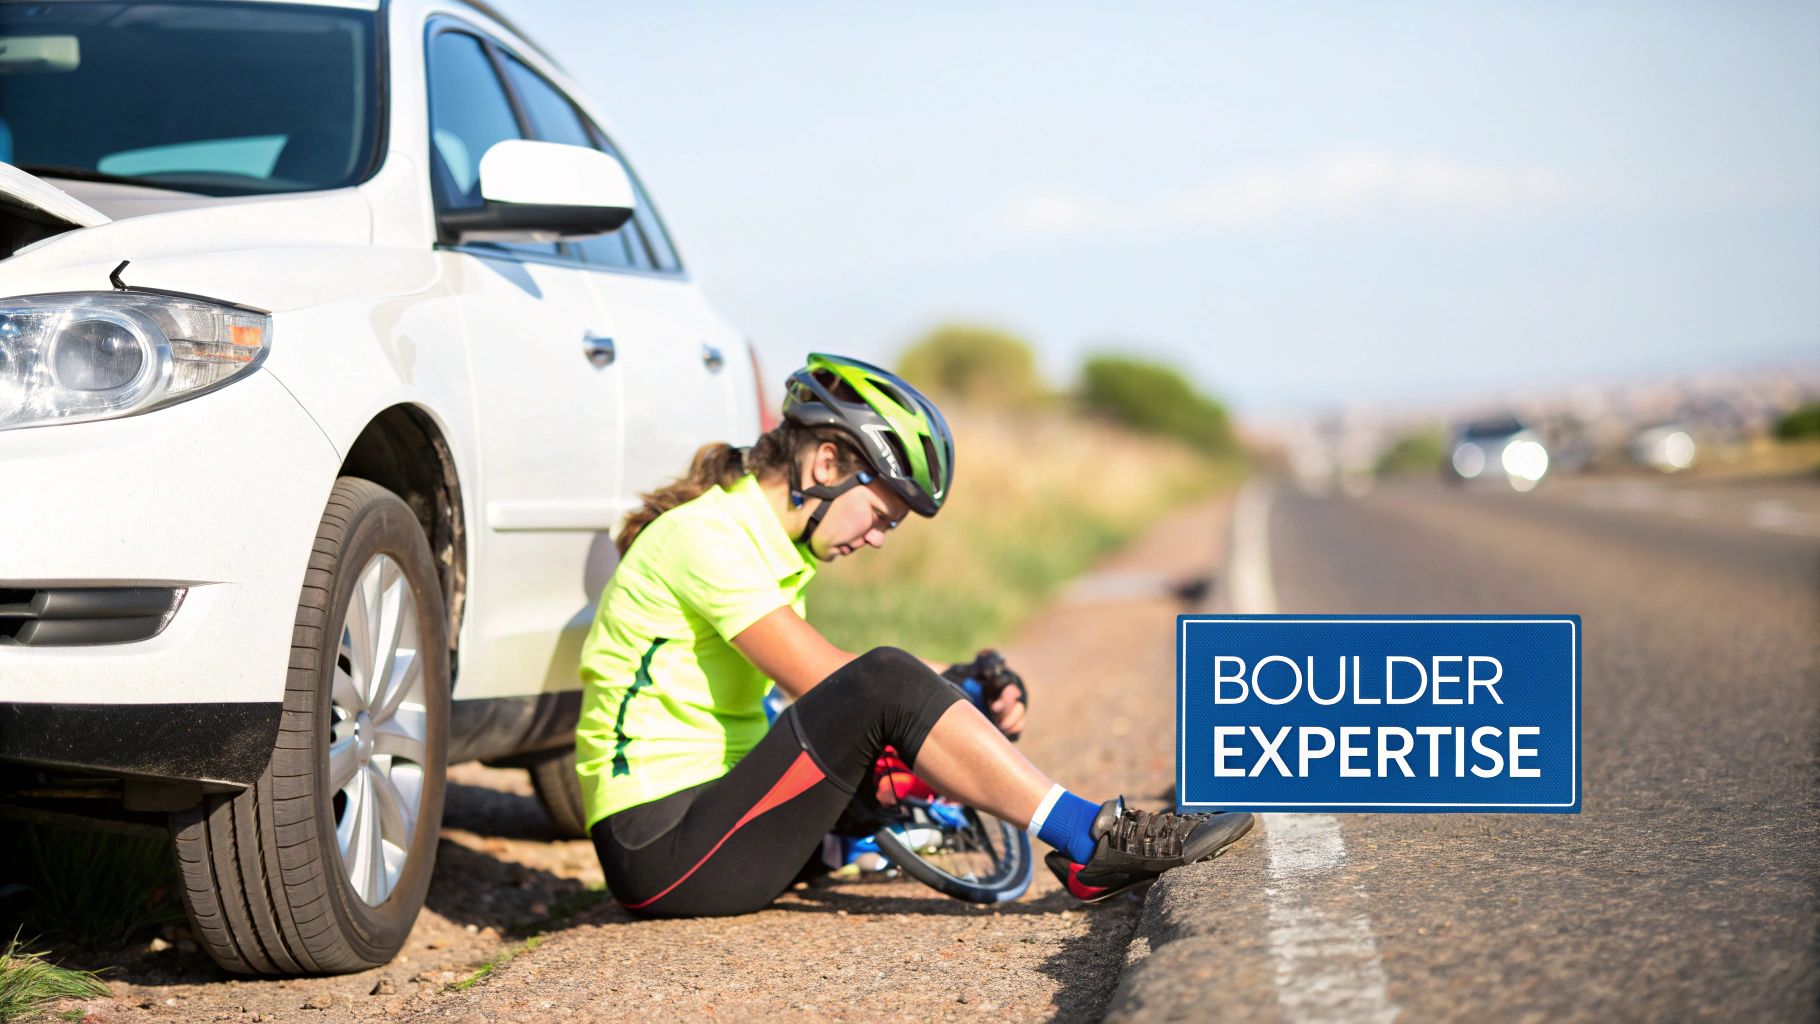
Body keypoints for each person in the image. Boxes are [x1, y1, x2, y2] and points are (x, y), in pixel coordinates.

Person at [575, 353, 1253, 918]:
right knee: (887, 683)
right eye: (880, 516)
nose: (874, 539)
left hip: (717, 816)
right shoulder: (705, 539)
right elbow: (836, 682)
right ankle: (1092, 838)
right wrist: (932, 686)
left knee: (909, 704)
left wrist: (966, 676)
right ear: (826, 465)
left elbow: (852, 686)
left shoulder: (762, 544)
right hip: (662, 848)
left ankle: (877, 831)